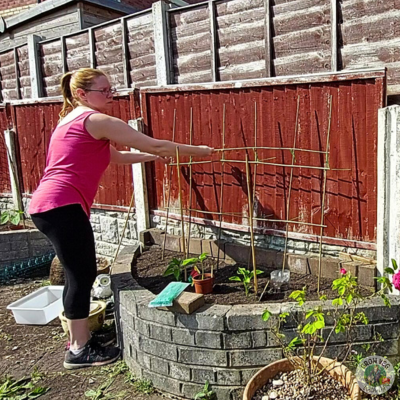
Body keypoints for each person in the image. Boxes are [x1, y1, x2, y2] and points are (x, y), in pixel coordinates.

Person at [28, 68, 213, 370]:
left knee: (80, 272)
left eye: (111, 89)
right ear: (81, 94)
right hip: (60, 205)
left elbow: (116, 157)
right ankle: (78, 348)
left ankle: (81, 339)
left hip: (51, 206)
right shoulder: (96, 120)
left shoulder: (72, 121)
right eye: (104, 91)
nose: (110, 95)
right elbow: (155, 143)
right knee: (80, 274)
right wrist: (200, 151)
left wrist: (153, 157)